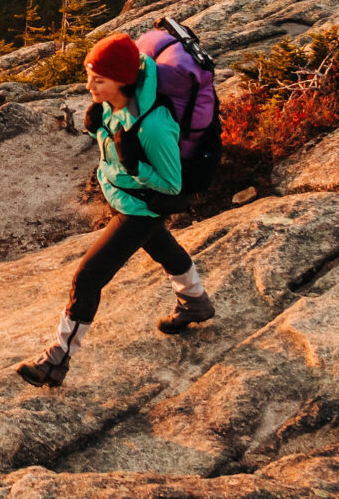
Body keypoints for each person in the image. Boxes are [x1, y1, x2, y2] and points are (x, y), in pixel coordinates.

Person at [17, 34, 212, 388]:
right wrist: (98, 131)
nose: (88, 85)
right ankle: (195, 302)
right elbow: (116, 148)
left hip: (140, 208)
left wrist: (135, 165)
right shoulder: (112, 105)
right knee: (162, 247)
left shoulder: (154, 125)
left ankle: (57, 359)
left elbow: (171, 185)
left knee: (88, 277)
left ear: (123, 80)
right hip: (125, 199)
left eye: (98, 79)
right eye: (89, 75)